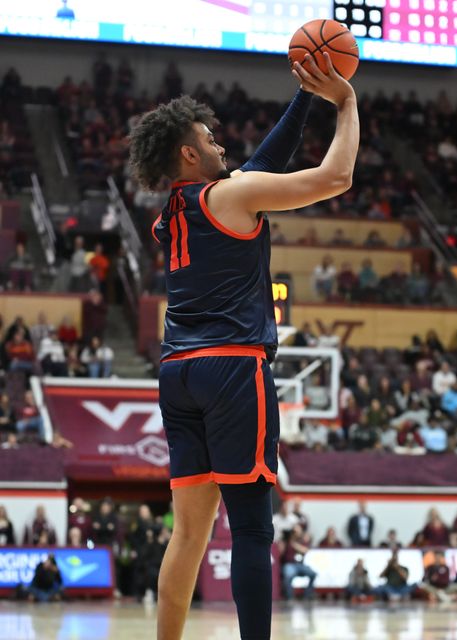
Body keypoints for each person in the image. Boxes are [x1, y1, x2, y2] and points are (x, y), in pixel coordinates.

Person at [129, 52, 358, 640]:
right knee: (253, 530)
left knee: (188, 534)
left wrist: (304, 97)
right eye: (209, 139)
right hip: (233, 369)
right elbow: (336, 178)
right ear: (188, 152)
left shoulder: (172, 215)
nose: (221, 147)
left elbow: (258, 165)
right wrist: (345, 104)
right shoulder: (230, 196)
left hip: (178, 372)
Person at [281, 524, 317, 601]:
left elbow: (305, 550)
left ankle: (307, 596)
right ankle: (290, 597)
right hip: (289, 564)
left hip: (300, 565)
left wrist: (294, 544)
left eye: (298, 530)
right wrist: (287, 539)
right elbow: (281, 552)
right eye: (294, 531)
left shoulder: (302, 540)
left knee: (313, 574)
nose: (296, 533)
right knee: (288, 575)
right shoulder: (287, 540)